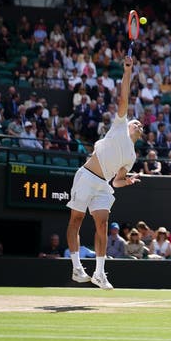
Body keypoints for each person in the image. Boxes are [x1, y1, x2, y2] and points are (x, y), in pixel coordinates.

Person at [66, 53, 143, 289]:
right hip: (87, 176)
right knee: (76, 219)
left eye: (142, 125)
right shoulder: (120, 124)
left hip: (103, 186)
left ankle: (99, 273)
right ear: (128, 123)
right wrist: (128, 71)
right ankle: (77, 267)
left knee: (102, 224)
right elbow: (124, 97)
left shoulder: (132, 156)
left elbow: (117, 182)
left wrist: (127, 181)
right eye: (136, 122)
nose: (139, 124)